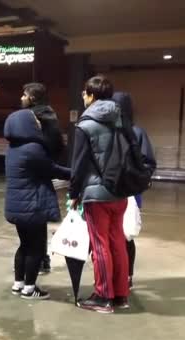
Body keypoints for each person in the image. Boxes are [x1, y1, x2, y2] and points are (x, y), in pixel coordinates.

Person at [69, 75, 130, 313]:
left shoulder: (86, 124)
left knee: (100, 244)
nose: (83, 97)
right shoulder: (121, 119)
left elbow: (79, 165)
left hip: (97, 193)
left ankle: (103, 296)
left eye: (84, 93)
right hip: (120, 191)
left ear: (92, 95)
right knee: (117, 242)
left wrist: (74, 193)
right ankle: (120, 295)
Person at [4, 110, 70, 300]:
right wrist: (75, 174)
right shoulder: (33, 148)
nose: (38, 123)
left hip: (18, 206)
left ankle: (19, 284)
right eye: (35, 120)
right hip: (33, 206)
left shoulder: (13, 148)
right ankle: (30, 288)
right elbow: (52, 170)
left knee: (24, 245)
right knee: (37, 248)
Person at [112, 92, 157, 289]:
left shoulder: (137, 133)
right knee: (110, 235)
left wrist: (136, 181)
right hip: (108, 191)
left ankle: (127, 275)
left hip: (129, 193)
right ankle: (113, 272)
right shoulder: (107, 131)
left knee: (125, 235)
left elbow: (148, 163)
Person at [21, 83, 67, 274]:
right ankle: (41, 259)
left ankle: (39, 260)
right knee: (36, 221)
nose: (21, 98)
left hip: (36, 174)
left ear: (32, 97)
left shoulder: (34, 117)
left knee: (35, 221)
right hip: (41, 172)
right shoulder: (48, 115)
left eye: (24, 95)